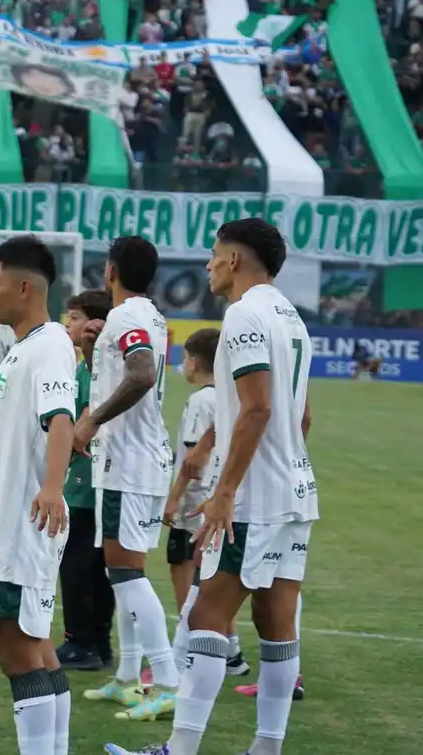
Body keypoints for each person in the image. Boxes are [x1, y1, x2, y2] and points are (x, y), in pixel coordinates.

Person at [106, 217, 315, 755]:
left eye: (214, 254)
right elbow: (302, 415)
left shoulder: (245, 314)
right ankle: (266, 748)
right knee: (276, 621)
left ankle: (178, 750)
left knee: (205, 616)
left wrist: (225, 491)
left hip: (255, 498)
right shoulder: (291, 317)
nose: (208, 264)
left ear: (236, 260)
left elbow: (259, 408)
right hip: (295, 490)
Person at [0, 235, 77, 755]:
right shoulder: (27, 346)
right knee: (37, 646)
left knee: (17, 651)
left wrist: (52, 487)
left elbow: (60, 419)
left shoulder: (49, 343)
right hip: (14, 518)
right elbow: (34, 420)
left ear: (23, 287)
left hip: (17, 523)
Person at [75, 236, 176, 721]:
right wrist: (101, 344)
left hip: (128, 462)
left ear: (110, 271)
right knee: (124, 573)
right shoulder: (150, 316)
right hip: (139, 459)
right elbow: (131, 366)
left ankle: (168, 680)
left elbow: (141, 374)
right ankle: (129, 677)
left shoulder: (127, 316)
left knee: (127, 573)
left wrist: (92, 419)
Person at [163, 330, 249, 679]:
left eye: (184, 358)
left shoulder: (201, 401)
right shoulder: (228, 399)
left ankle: (186, 653)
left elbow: (192, 460)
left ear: (194, 361)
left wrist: (173, 499)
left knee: (186, 571)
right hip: (217, 496)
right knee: (215, 577)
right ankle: (231, 651)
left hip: (195, 501)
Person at [55, 288, 116, 672]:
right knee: (96, 568)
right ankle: (100, 642)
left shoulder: (94, 367)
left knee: (76, 565)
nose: (68, 324)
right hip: (93, 481)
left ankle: (81, 643)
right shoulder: (83, 365)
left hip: (85, 483)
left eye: (75, 317)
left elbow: (86, 416)